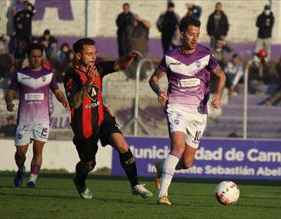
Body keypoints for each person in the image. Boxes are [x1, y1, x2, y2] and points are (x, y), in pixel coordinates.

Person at [149, 16, 226, 205]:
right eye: (191, 34)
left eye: (197, 35)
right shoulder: (170, 57)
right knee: (178, 147)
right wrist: (159, 91)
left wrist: (218, 95)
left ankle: (161, 166)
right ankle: (163, 195)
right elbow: (153, 79)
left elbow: (221, 75)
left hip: (199, 112)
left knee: (187, 162)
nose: (194, 38)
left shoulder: (205, 54)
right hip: (176, 107)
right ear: (182, 33)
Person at [63, 38, 153, 200]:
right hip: (84, 127)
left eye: (95, 53)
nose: (94, 57)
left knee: (122, 145)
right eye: (89, 54)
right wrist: (89, 83)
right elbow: (75, 103)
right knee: (89, 164)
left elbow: (120, 65)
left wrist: (129, 56)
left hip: (102, 118)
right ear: (78, 55)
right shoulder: (71, 76)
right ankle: (79, 181)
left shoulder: (98, 68)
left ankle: (135, 185)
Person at [4, 43, 70, 188]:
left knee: (38, 149)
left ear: (42, 57)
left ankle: (32, 180)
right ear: (28, 57)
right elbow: (10, 92)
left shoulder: (49, 74)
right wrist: (9, 102)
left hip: (42, 120)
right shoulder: (19, 74)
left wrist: (63, 100)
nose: (36, 59)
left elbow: (57, 91)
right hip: (24, 120)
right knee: (21, 152)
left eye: (39, 57)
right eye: (33, 57)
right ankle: (21, 169)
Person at [123, 15, 150, 80]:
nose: (134, 21)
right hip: (131, 48)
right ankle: (133, 76)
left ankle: (142, 76)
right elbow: (124, 38)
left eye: (136, 20)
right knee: (132, 63)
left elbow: (148, 24)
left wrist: (140, 19)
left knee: (141, 63)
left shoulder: (143, 27)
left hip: (142, 49)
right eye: (133, 19)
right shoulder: (128, 28)